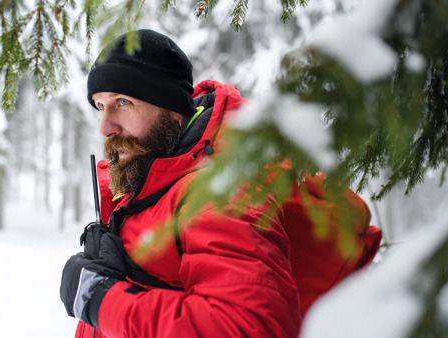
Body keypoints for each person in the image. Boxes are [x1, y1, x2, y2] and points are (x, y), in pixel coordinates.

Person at [59, 29, 302, 338]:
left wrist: (103, 300)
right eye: (100, 105)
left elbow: (249, 327)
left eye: (122, 102)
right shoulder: (153, 184)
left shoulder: (220, 192)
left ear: (173, 110)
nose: (105, 127)